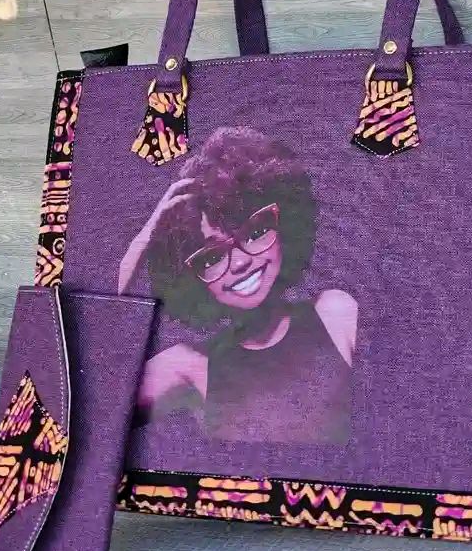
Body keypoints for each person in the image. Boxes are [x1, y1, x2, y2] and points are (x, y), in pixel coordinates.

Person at [118, 127, 358, 445]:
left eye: (255, 232)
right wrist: (143, 242)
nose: (242, 262)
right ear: (190, 280)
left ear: (286, 226)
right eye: (213, 256)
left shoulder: (335, 313)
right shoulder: (189, 365)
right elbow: (93, 405)